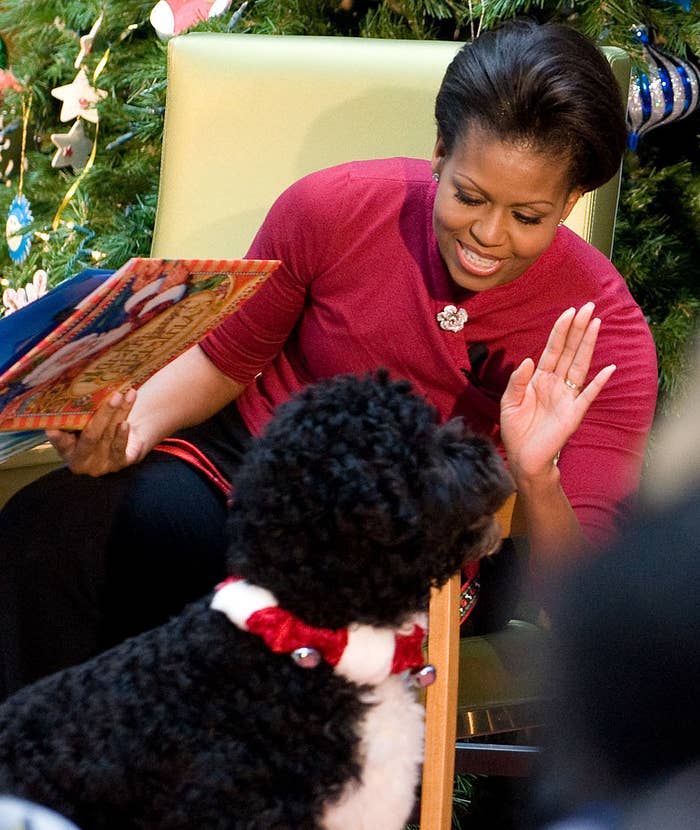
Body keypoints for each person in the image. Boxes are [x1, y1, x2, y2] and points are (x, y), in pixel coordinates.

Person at [0, 19, 658, 700]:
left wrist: (536, 475)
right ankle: (34, 789)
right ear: (439, 150)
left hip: (413, 548)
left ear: (571, 200)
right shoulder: (333, 208)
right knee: (58, 530)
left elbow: (581, 604)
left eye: (527, 217)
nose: (489, 236)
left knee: (307, 646)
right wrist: (128, 433)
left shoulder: (609, 338)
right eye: (469, 197)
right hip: (248, 473)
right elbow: (226, 360)